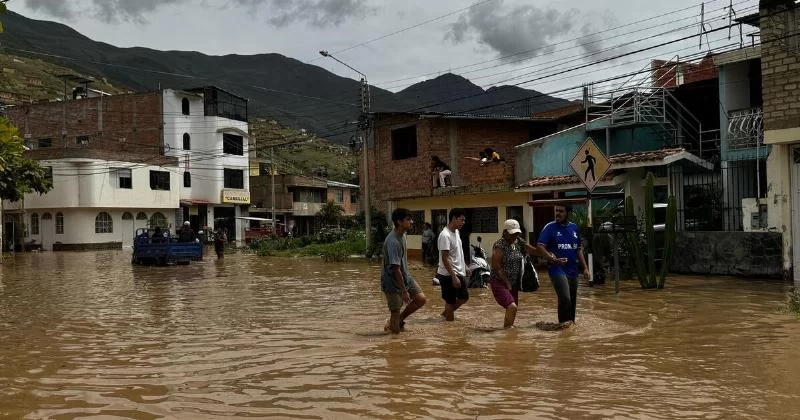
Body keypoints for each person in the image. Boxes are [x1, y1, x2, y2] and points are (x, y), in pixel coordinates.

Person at [536, 203, 590, 327]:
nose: (558, 214)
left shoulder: (574, 228)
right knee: (565, 298)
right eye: (556, 211)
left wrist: (585, 268)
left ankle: (571, 326)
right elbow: (540, 246)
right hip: (557, 269)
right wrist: (551, 258)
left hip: (573, 270)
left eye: (561, 211)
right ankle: (562, 325)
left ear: (568, 213)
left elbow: (578, 249)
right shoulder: (550, 227)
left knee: (572, 300)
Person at [381, 208, 427, 334]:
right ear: (399, 222)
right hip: (392, 280)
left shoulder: (403, 235)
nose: (412, 222)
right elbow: (395, 269)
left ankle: (397, 321)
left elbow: (401, 261)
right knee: (395, 311)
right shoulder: (393, 241)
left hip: (404, 275)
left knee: (421, 299)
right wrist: (404, 291)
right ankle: (395, 343)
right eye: (408, 220)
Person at [490, 219, 542, 329]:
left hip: (514, 282)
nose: (515, 236)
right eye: (512, 233)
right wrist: (507, 282)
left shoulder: (519, 242)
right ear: (505, 232)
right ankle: (507, 333)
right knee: (512, 306)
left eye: (517, 233)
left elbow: (533, 250)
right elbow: (496, 267)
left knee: (513, 308)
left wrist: (548, 254)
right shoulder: (499, 245)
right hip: (499, 282)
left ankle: (508, 332)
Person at [436, 208, 469, 321]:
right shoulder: (445, 235)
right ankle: (449, 329)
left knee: (464, 297)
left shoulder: (456, 232)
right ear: (454, 219)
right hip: (447, 274)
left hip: (458, 271)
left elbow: (458, 251)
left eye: (464, 220)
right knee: (450, 301)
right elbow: (445, 258)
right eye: (461, 220)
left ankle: (445, 315)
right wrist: (454, 277)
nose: (463, 223)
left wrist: (464, 265)